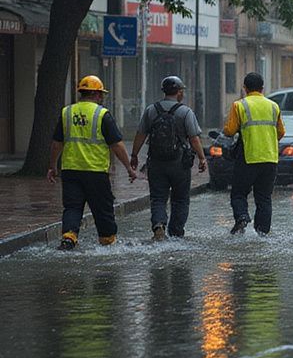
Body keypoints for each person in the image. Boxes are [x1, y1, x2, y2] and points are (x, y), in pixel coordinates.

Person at [47, 75, 137, 249]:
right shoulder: (102, 114)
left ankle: (69, 236)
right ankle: (107, 241)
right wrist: (129, 168)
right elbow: (117, 145)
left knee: (72, 207)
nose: (102, 98)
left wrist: (52, 166)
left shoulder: (67, 112)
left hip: (71, 170)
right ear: (97, 94)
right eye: (101, 94)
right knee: (102, 209)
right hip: (95, 171)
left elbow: (56, 143)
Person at [130, 75, 207, 241]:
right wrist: (202, 158)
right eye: (182, 91)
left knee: (158, 197)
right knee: (180, 199)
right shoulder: (185, 112)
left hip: (156, 162)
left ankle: (158, 224)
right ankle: (176, 233)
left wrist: (134, 155)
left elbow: (140, 134)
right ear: (179, 92)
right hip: (179, 163)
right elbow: (194, 138)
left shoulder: (151, 110)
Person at [222, 71, 284, 235]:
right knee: (264, 198)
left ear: (245, 88)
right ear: (262, 88)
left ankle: (242, 217)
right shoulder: (273, 106)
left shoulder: (239, 105)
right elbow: (281, 132)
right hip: (270, 158)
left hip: (248, 158)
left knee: (239, 193)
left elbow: (229, 130)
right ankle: (262, 233)